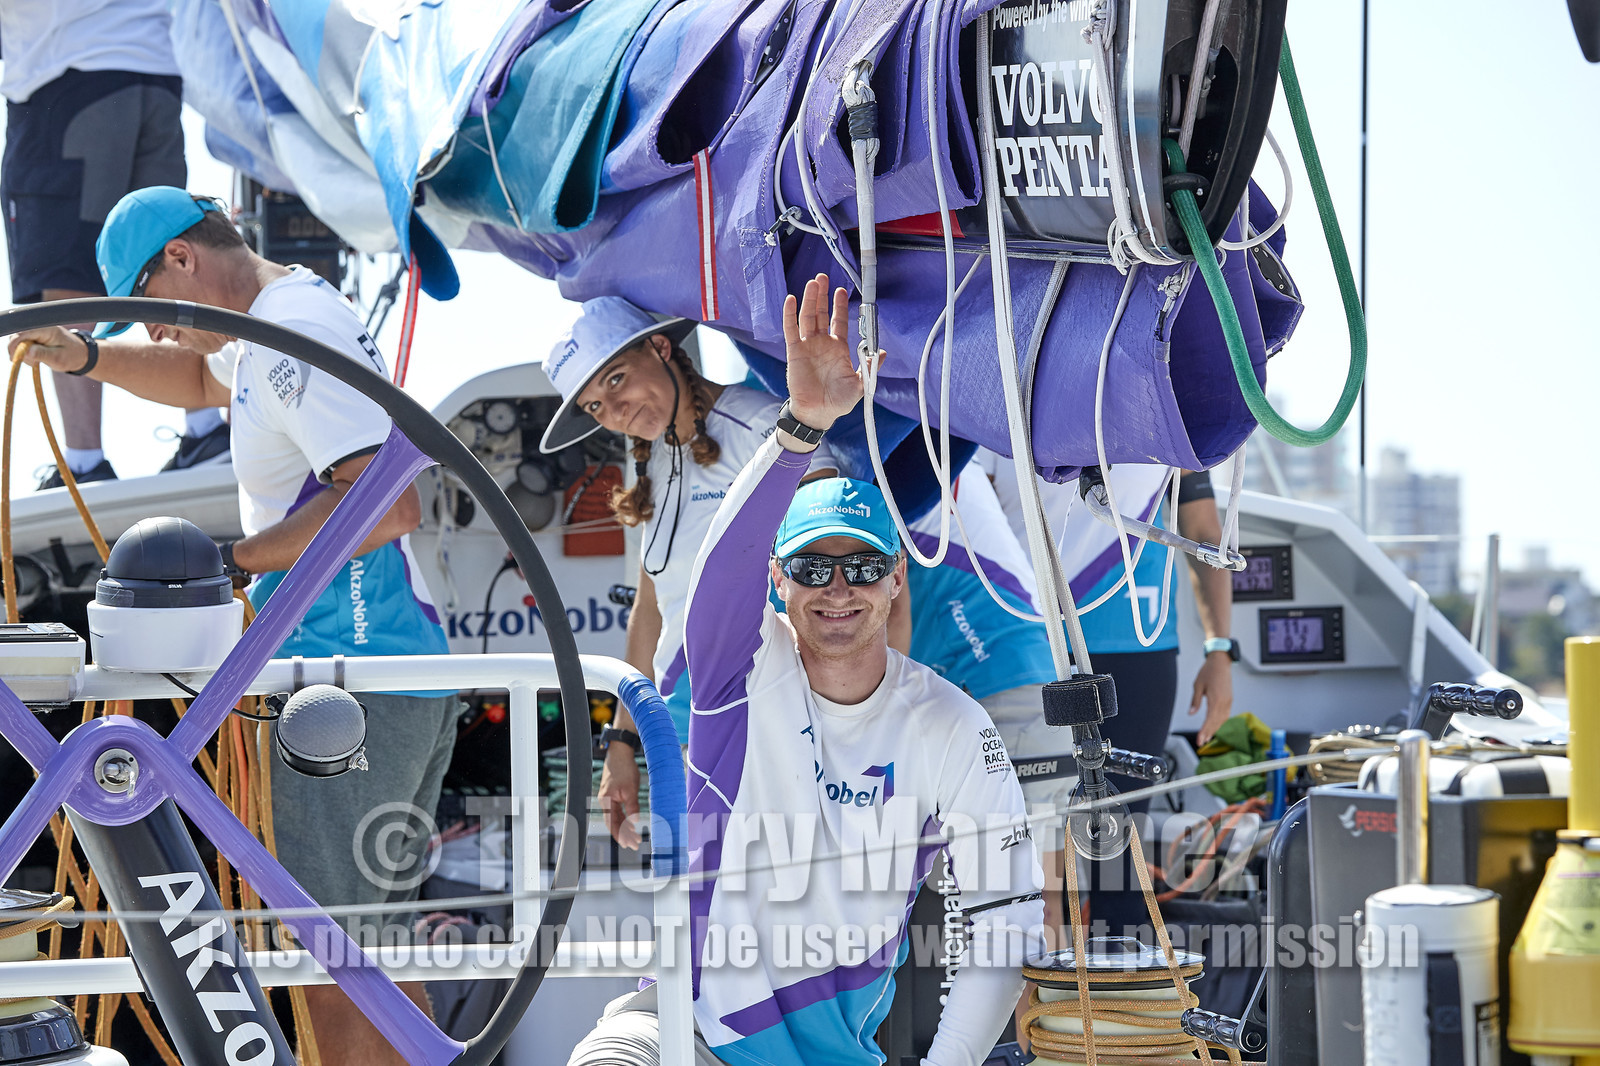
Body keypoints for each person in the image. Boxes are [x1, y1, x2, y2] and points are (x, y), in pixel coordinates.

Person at [10, 187, 455, 1066]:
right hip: (380, 676)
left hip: (349, 681)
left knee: (324, 952)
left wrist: (237, 561)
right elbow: (195, 380)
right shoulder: (270, 332)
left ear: (181, 261)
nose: (161, 332)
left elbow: (386, 501)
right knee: (368, 941)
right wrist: (88, 354)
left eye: (154, 308)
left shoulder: (294, 340)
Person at [566, 275, 1046, 1066]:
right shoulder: (737, 678)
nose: (838, 590)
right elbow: (706, 585)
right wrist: (802, 423)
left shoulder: (952, 724)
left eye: (862, 568)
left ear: (898, 579)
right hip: (683, 1036)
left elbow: (1005, 920)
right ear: (778, 584)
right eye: (810, 570)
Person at [537, 297, 841, 849]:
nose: (614, 408)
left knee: (792, 910)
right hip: (685, 728)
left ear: (661, 347)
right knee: (706, 917)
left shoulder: (762, 426)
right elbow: (651, 613)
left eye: (617, 379)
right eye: (595, 405)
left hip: (776, 722)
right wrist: (623, 744)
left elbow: (845, 575)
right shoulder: (652, 459)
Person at [979, 452, 1237, 938]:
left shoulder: (1160, 402)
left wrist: (1220, 650)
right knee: (1031, 837)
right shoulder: (996, 391)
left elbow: (1203, 529)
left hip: (1137, 648)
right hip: (1033, 643)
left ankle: (1117, 997)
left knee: (1119, 839)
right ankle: (1041, 995)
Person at [0, 0, 230, 487]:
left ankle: (85, 465)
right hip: (157, 74)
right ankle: (205, 431)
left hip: (67, 75)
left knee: (66, 276)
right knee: (168, 254)